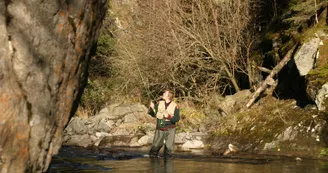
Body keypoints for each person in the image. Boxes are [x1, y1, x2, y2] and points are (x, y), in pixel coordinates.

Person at [148, 89, 180, 158]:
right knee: (155, 146)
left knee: (169, 148)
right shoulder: (159, 103)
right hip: (160, 126)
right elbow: (153, 114)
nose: (163, 94)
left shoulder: (175, 106)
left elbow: (177, 119)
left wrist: (168, 116)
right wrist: (152, 107)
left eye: (165, 93)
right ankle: (152, 159)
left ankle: (168, 162)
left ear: (168, 96)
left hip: (170, 128)